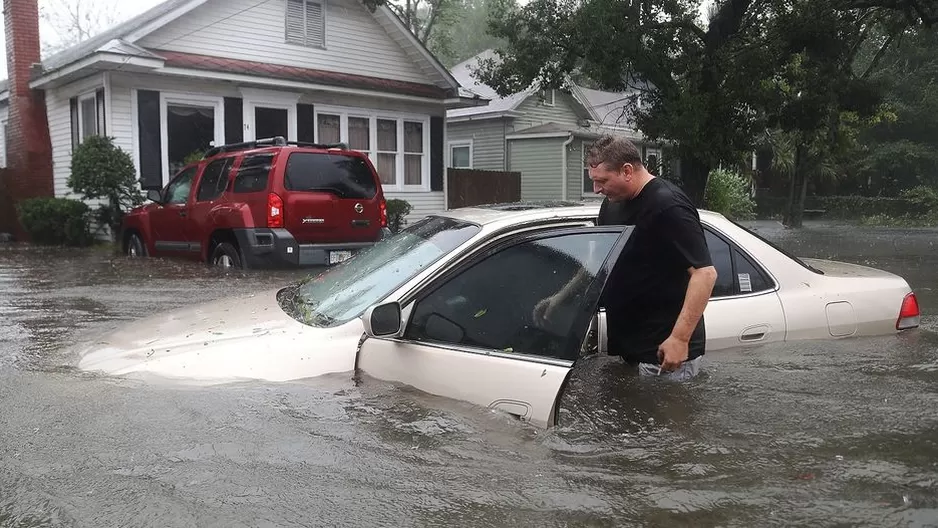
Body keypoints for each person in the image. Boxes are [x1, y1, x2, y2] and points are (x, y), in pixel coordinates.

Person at [533, 135, 717, 381]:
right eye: (594, 182)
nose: (597, 189)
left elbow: (705, 273)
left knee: (669, 419)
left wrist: (680, 339)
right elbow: (599, 261)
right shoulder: (612, 204)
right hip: (627, 348)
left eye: (602, 181)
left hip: (663, 353)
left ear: (627, 171)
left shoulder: (668, 206)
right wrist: (561, 298)